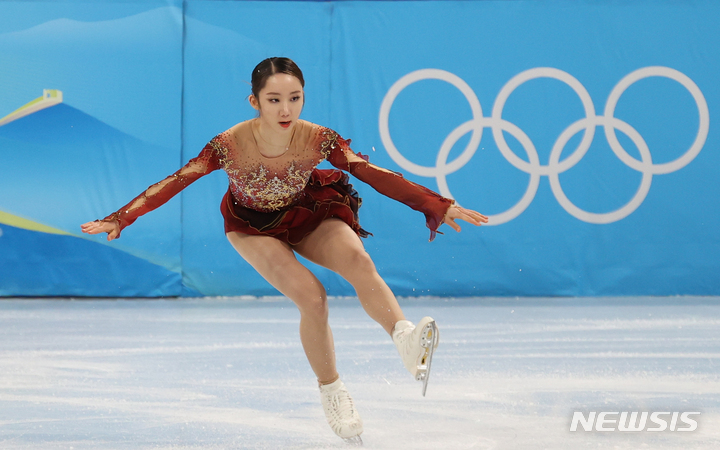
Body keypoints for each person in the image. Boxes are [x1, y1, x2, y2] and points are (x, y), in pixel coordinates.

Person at [81, 57, 488, 444]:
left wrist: (437, 203)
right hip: (251, 227)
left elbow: (376, 174)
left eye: (294, 98)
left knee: (358, 260)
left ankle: (405, 339)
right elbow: (176, 180)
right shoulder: (228, 144)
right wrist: (122, 217)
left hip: (307, 210)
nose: (285, 108)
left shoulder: (318, 138)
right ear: (255, 102)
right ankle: (332, 391)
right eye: (274, 99)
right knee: (314, 298)